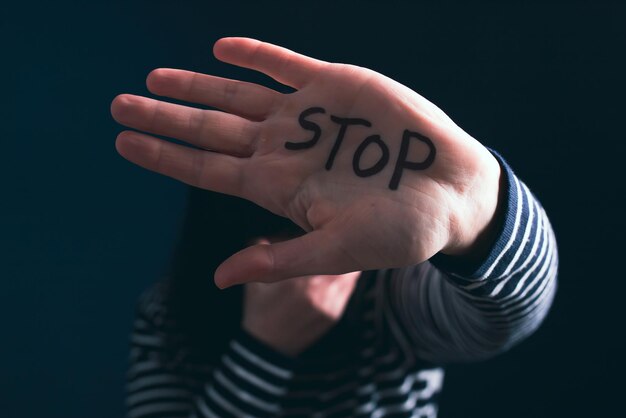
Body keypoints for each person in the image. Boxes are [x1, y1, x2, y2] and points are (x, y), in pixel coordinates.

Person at [111, 37, 558, 418]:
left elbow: (511, 315)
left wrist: (474, 204)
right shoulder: (166, 315)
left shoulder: (391, 296)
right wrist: (264, 349)